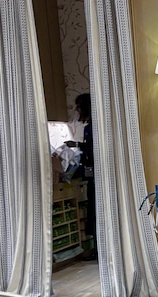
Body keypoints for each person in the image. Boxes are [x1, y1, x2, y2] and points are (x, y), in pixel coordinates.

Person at [66, 93, 96, 260]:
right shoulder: (94, 126)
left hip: (95, 175)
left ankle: (98, 249)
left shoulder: (91, 128)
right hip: (93, 174)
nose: (76, 110)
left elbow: (92, 151)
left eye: (78, 107)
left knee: (95, 212)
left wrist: (78, 146)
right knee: (95, 211)